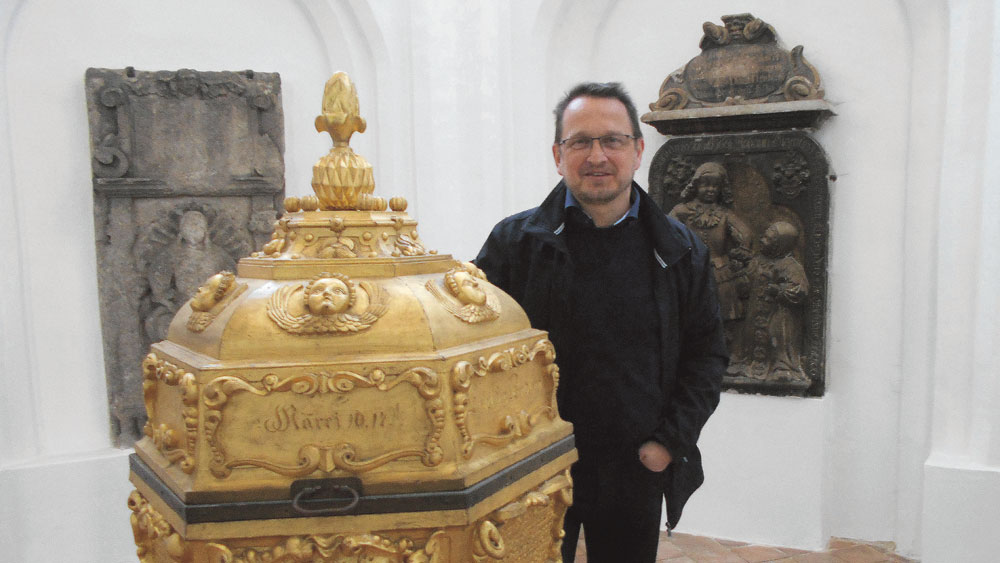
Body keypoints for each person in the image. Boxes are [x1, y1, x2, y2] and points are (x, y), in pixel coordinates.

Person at [474, 82, 726, 562]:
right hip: (534, 466)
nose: (597, 156)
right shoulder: (514, 244)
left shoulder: (681, 250)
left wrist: (668, 443)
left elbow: (707, 355)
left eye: (611, 140)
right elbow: (475, 344)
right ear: (557, 154)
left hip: (634, 466)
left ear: (636, 150)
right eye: (580, 142)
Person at [669, 162, 752, 346]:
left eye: (715, 185)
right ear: (695, 185)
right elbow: (665, 234)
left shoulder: (724, 214)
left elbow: (745, 234)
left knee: (723, 318)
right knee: (689, 317)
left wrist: (741, 251)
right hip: (690, 271)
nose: (710, 189)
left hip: (720, 271)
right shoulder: (682, 211)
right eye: (705, 184)